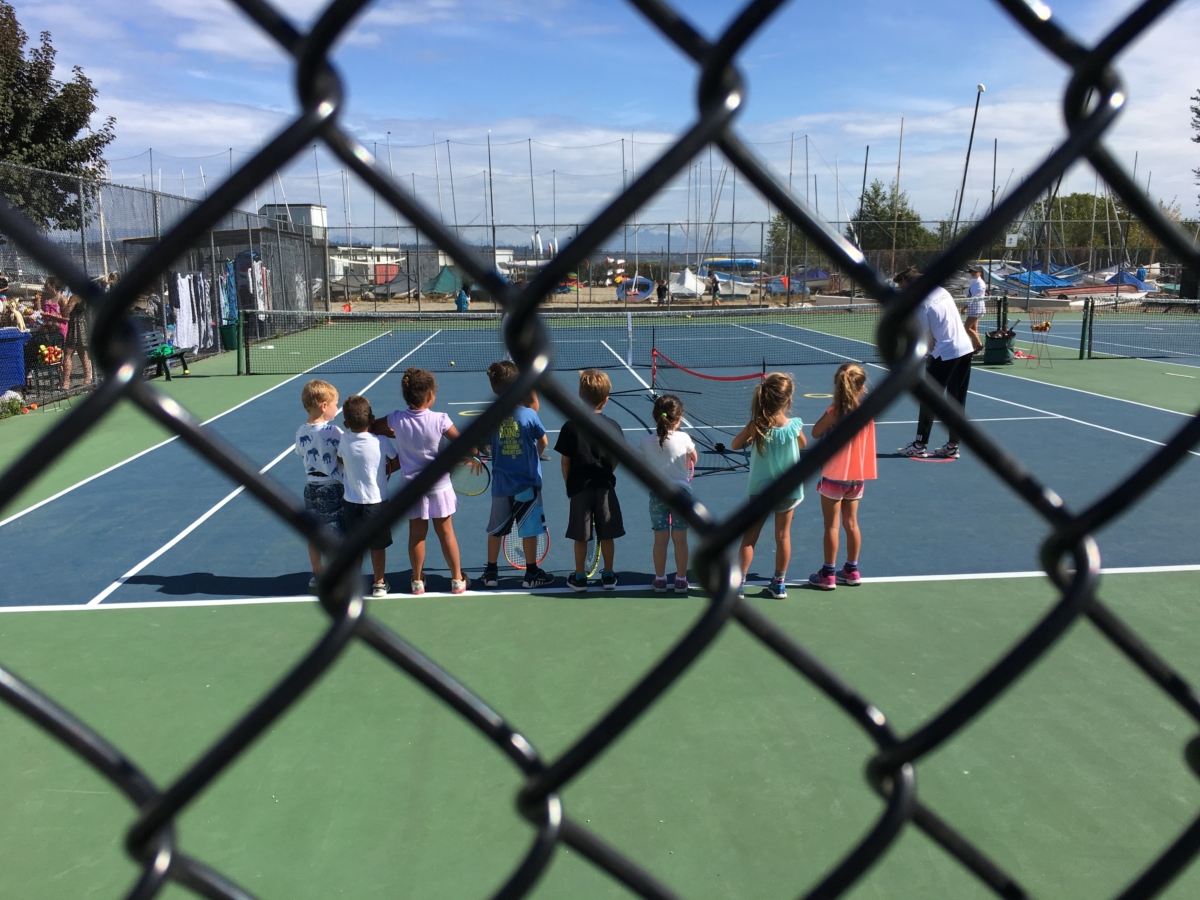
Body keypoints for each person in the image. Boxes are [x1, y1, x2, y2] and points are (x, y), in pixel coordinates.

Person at [379, 368, 469, 595]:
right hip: (439, 488)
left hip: (412, 490)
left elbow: (373, 427)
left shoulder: (396, 419)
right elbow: (463, 444)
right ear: (430, 395)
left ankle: (417, 581)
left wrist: (396, 433)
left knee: (417, 535)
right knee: (446, 532)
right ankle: (457, 580)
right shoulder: (441, 420)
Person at [480, 360, 554, 590]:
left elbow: (486, 447)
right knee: (529, 529)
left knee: (495, 529)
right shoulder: (528, 415)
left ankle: (491, 572)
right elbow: (543, 442)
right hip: (527, 484)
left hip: (501, 485)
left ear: (494, 388)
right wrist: (534, 455)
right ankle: (531, 573)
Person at [731, 373, 806, 599]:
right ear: (788, 399)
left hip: (760, 491)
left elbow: (735, 444)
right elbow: (803, 444)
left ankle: (739, 584)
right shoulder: (794, 426)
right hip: (788, 490)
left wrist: (752, 435)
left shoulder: (757, 425)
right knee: (783, 536)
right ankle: (779, 583)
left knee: (749, 539)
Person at [807, 364, 877, 590]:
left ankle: (828, 573)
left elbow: (815, 432)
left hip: (834, 476)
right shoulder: (867, 412)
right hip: (856, 477)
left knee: (831, 526)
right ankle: (852, 569)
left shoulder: (834, 412)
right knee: (852, 523)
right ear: (862, 387)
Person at [555, 369, 625, 592]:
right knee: (608, 534)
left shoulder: (570, 426)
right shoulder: (613, 426)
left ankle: (579, 577)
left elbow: (565, 462)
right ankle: (608, 575)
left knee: (580, 536)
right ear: (606, 400)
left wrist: (569, 485)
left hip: (579, 489)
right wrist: (607, 473)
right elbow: (617, 458)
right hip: (605, 487)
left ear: (579, 395)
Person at [896, 266, 976, 460]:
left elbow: (928, 339)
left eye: (904, 288)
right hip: (965, 348)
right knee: (957, 401)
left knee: (929, 399)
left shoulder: (921, 303)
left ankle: (919, 445)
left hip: (945, 353)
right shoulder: (941, 290)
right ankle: (952, 446)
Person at [337, 394, 397, 598]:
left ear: (345, 423)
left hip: (351, 503)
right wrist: (385, 471)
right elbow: (395, 462)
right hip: (378, 503)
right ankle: (379, 583)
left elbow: (340, 459)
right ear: (372, 419)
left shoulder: (344, 440)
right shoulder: (381, 441)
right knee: (377, 546)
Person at [637, 393, 697, 593]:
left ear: (656, 417)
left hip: (658, 495)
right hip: (681, 495)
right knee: (681, 540)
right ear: (678, 419)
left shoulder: (645, 440)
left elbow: (644, 461)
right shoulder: (685, 438)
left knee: (660, 539)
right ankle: (681, 580)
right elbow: (693, 457)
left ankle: (660, 579)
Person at [295, 379, 344, 592]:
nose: (336, 409)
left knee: (314, 532)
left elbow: (301, 451)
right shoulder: (334, 431)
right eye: (335, 404)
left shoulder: (300, 431)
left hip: (310, 487)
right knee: (337, 531)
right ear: (324, 406)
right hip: (332, 486)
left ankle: (317, 572)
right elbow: (343, 455)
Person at [59, 289, 93, 389]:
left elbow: (66, 312)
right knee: (83, 354)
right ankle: (88, 379)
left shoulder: (75, 297)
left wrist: (64, 306)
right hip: (84, 325)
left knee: (68, 353)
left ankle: (66, 383)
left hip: (76, 326)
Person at [964, 265, 988, 352]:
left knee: (966, 328)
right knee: (973, 328)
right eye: (972, 272)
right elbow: (969, 294)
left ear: (980, 273)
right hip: (973, 308)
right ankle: (975, 348)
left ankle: (979, 344)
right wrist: (968, 296)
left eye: (975, 272)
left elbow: (974, 297)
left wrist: (965, 307)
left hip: (976, 308)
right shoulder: (974, 282)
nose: (973, 273)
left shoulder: (980, 283)